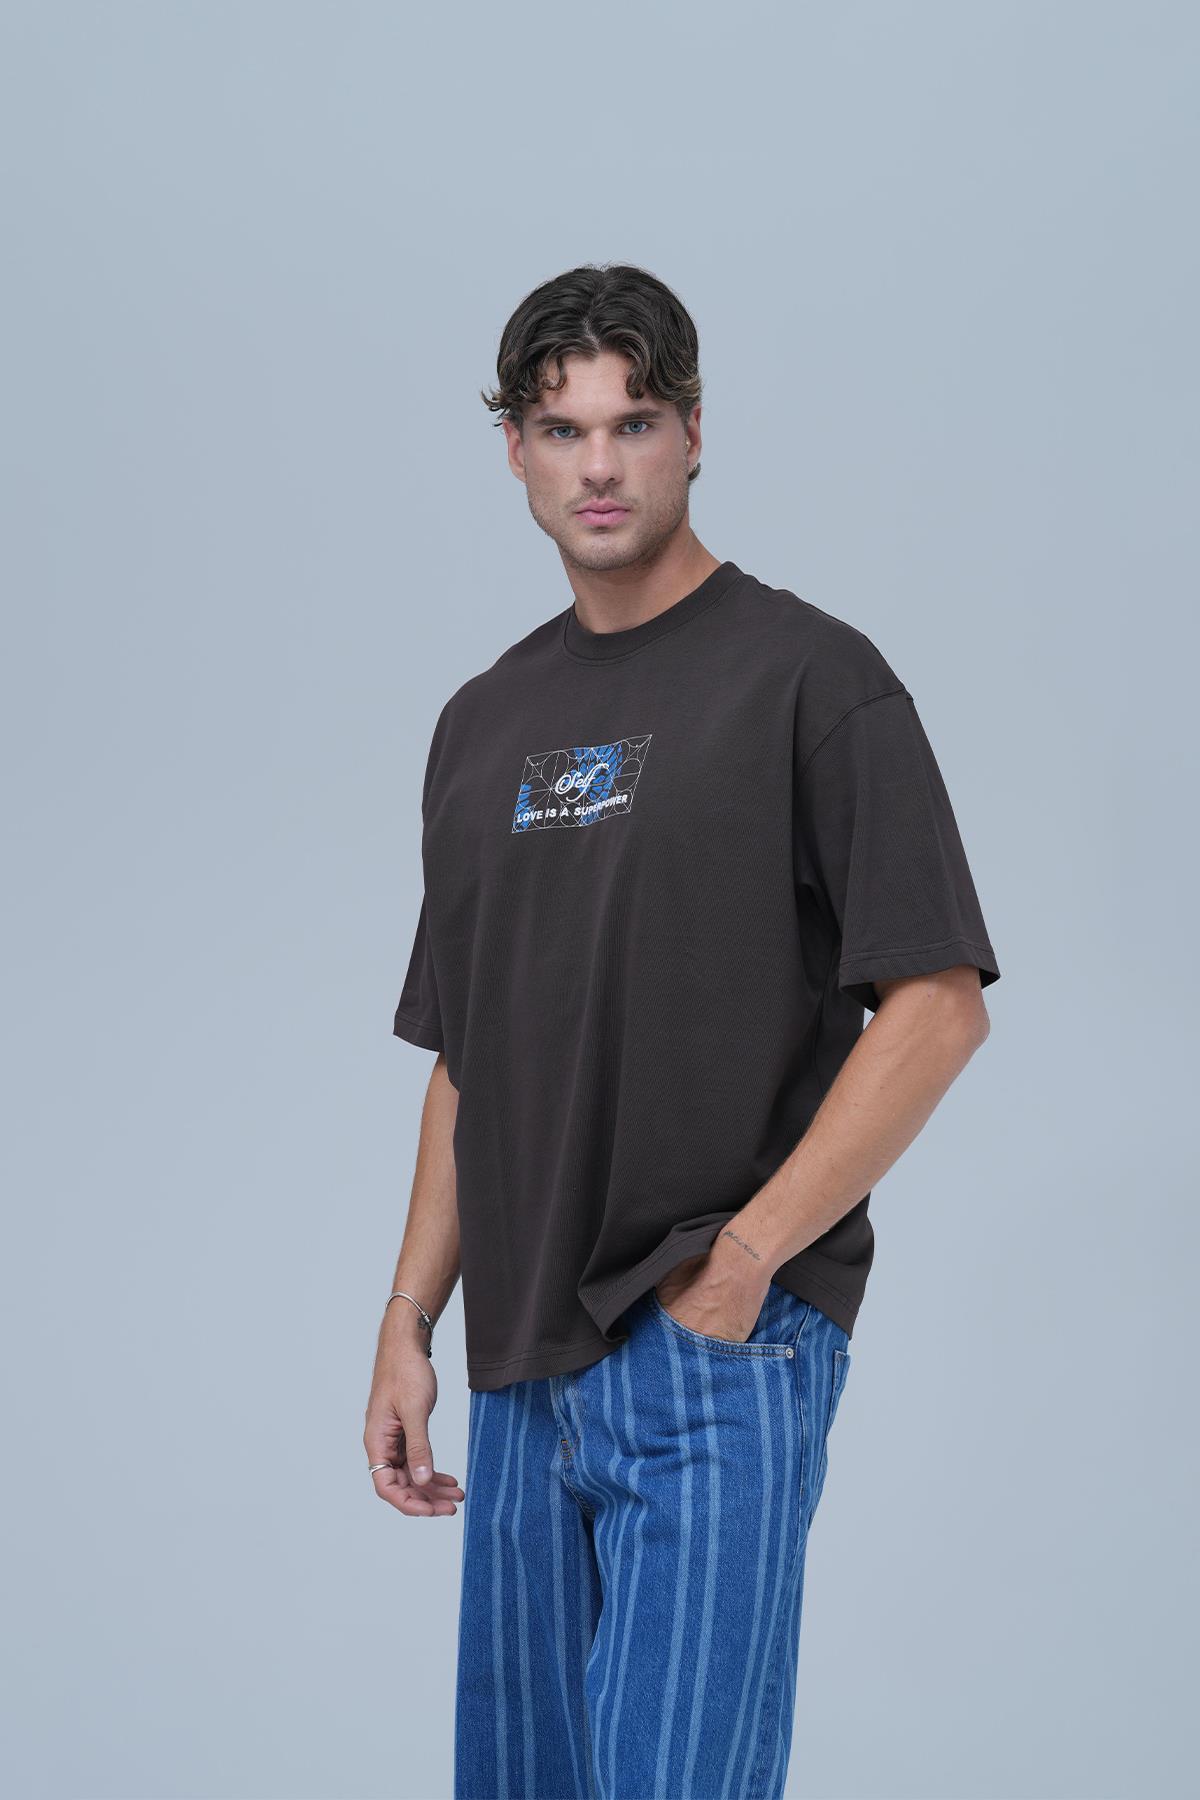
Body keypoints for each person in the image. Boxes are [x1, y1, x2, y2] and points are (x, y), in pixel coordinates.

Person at [364, 262, 1001, 1800]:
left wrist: (746, 1264)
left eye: (634, 423)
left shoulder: (811, 680)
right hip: (520, 1368)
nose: (600, 464)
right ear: (514, 449)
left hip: (711, 1349)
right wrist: (407, 1321)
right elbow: (468, 1061)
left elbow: (936, 1008)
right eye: (563, 428)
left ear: (694, 433)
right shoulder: (480, 726)